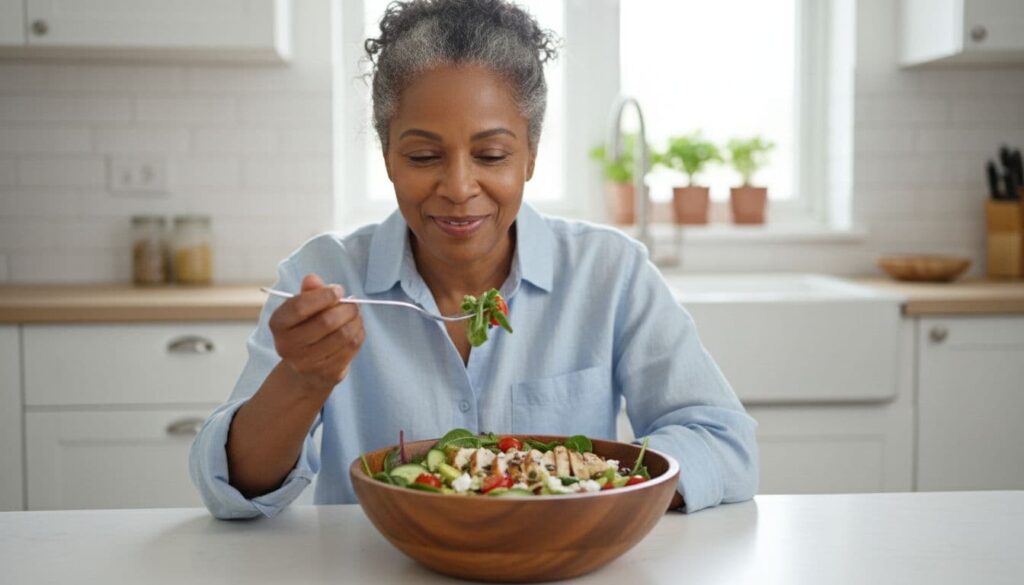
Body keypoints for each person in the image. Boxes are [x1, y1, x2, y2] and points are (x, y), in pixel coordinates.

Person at [190, 0, 758, 519]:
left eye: (490, 154)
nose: (459, 187)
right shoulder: (325, 276)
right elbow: (228, 490)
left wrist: (590, 486)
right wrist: (300, 380)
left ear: (531, 154)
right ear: (387, 154)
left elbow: (725, 442)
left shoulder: (610, 273)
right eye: (422, 155)